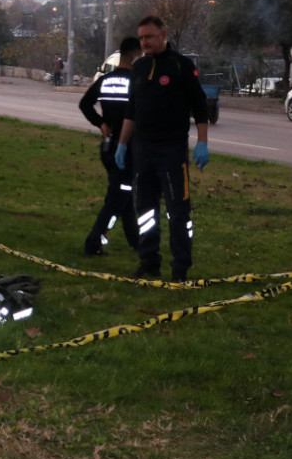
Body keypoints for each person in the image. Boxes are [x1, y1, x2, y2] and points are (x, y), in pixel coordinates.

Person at [115, 16, 209, 282]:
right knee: (145, 208)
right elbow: (131, 110)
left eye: (149, 37)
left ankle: (180, 267)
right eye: (141, 38)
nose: (144, 42)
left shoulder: (181, 66)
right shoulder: (139, 67)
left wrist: (202, 142)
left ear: (163, 35)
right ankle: (149, 261)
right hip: (142, 149)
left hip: (172, 150)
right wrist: (122, 144)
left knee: (178, 211)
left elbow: (200, 106)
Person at [79, 36, 142, 256]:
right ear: (135, 56)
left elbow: (84, 104)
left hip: (108, 146)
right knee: (118, 197)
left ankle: (136, 240)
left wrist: (100, 123)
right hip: (127, 149)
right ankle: (93, 243)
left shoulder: (105, 80)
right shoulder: (137, 82)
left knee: (123, 194)